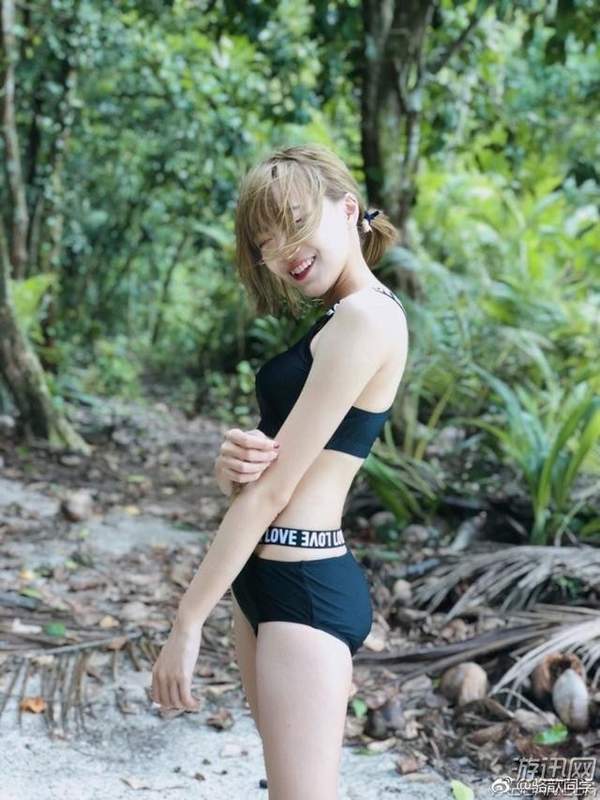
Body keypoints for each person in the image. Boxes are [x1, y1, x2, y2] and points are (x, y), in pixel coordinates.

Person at [151, 143, 409, 799]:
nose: (281, 251)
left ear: (347, 209)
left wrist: (187, 620)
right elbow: (269, 472)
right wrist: (230, 469)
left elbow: (276, 492)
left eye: (294, 223)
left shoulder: (367, 317)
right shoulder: (338, 319)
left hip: (305, 588)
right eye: (265, 242)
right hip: (269, 580)